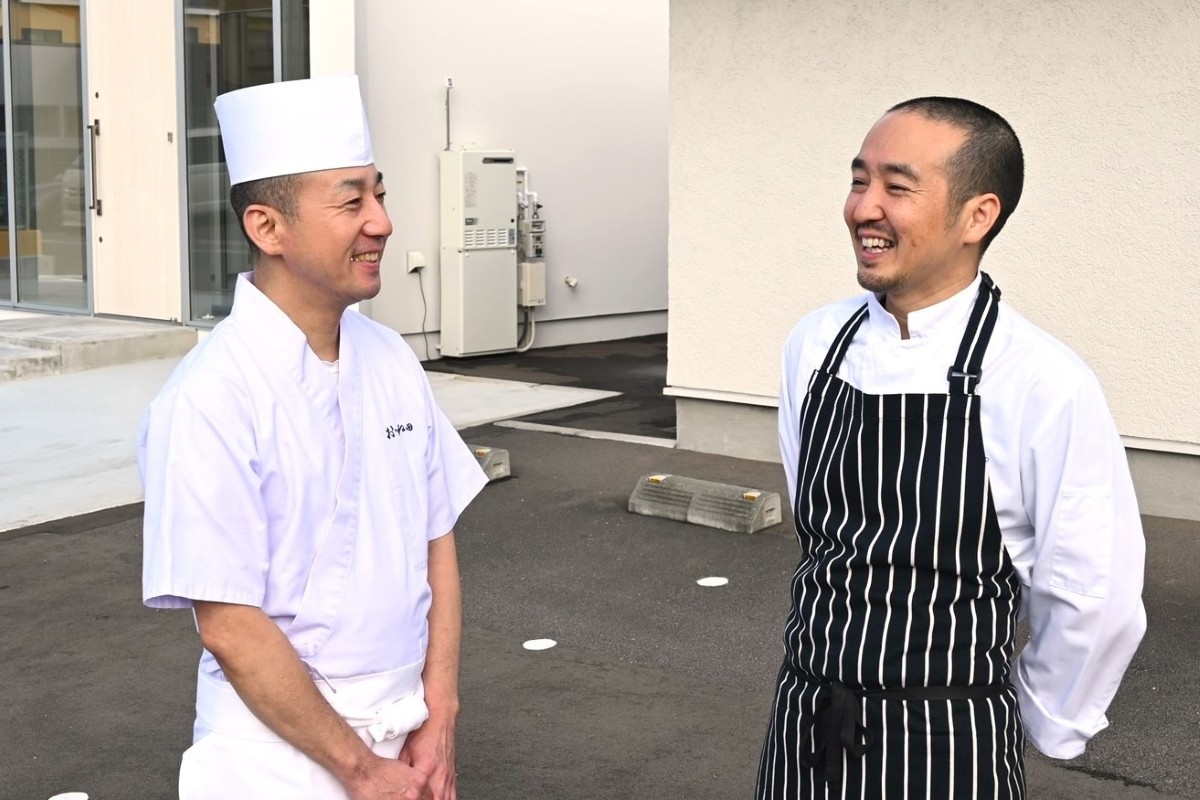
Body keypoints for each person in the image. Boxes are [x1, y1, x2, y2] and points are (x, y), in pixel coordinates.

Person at [755, 97, 1146, 799]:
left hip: (950, 738)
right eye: (858, 180)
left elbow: (1093, 590)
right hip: (805, 720)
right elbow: (812, 523)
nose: (863, 208)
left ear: (978, 216)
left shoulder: (1041, 380)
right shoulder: (814, 345)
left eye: (896, 187)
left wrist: (1045, 718)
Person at [138, 75, 487, 800]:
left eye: (380, 194)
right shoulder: (210, 396)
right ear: (268, 228)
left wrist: (441, 713)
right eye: (352, 201)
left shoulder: (390, 357)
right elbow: (229, 624)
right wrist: (363, 773)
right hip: (275, 757)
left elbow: (436, 538)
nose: (382, 222)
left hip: (409, 736)